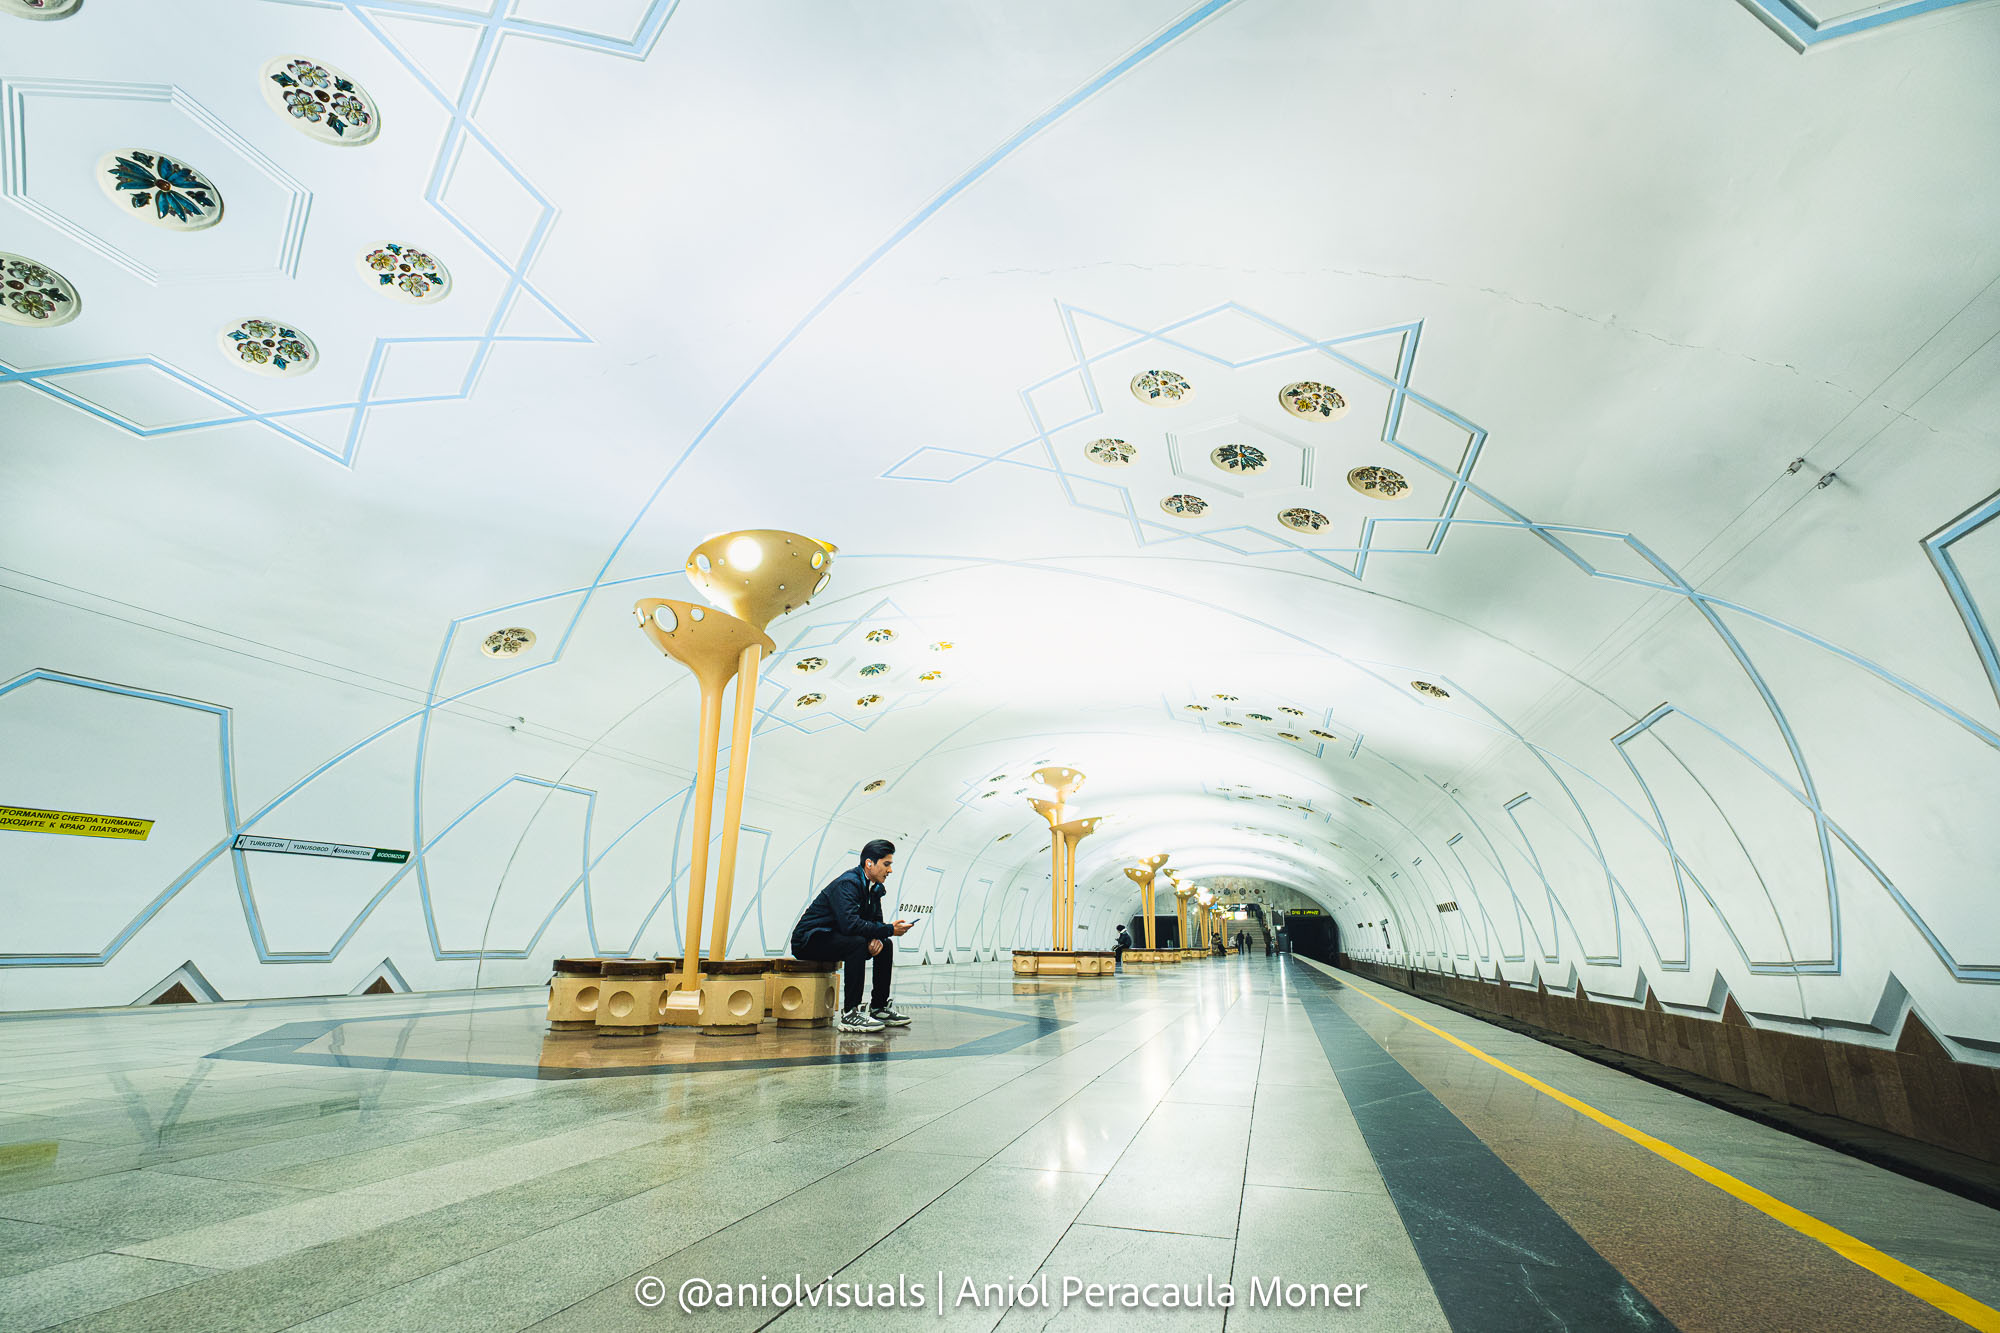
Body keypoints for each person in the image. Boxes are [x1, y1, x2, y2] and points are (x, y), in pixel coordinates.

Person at [791, 839, 913, 1032]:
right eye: (886, 864)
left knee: (886, 944)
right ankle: (850, 1013)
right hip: (810, 939)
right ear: (869, 863)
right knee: (856, 943)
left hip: (835, 936)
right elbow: (850, 925)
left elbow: (876, 922)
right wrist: (888, 929)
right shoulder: (848, 884)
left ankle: (879, 1007)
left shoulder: (875, 888)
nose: (890, 870)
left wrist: (880, 937)